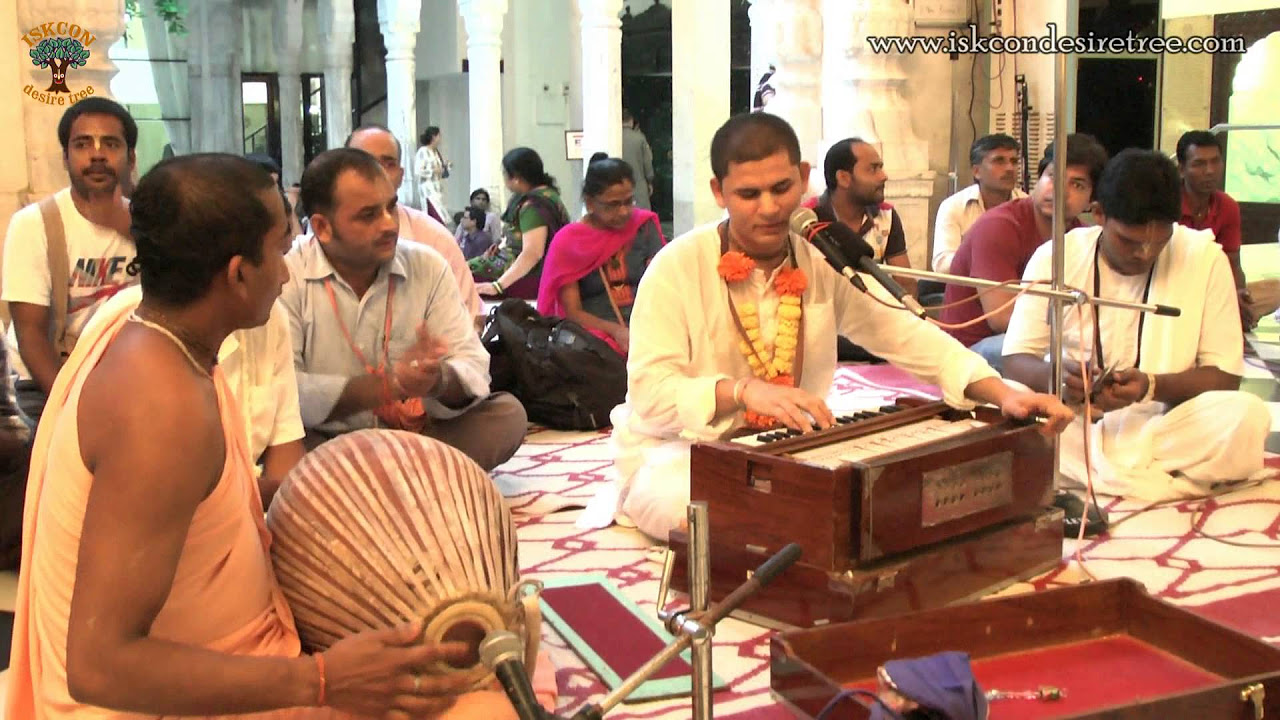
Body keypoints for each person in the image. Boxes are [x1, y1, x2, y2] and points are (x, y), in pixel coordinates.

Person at [6, 152, 529, 719]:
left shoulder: (148, 337)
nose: (285, 274)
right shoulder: (159, 407)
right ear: (236, 273)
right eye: (279, 253)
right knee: (484, 703)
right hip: (169, 700)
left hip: (247, 643)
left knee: (490, 643)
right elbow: (99, 667)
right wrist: (321, 679)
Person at [596, 112, 1074, 540]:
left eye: (781, 189)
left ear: (803, 179)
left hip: (794, 445)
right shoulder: (674, 267)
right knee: (696, 510)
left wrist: (1002, 393)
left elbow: (904, 332)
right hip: (681, 451)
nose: (768, 208)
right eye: (748, 194)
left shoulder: (822, 255)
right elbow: (650, 394)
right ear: (718, 191)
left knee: (891, 489)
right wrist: (743, 392)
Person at [1003, 149, 1270, 505]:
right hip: (1072, 419)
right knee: (1000, 400)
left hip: (1163, 422)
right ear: (1098, 214)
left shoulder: (1205, 258)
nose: (1143, 254)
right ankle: (1152, 477)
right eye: (1128, 241)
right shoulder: (1056, 256)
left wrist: (1151, 386)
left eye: (1158, 242)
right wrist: (1058, 376)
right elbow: (1015, 359)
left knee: (1246, 416)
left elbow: (1225, 376)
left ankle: (1098, 473)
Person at [285, 148, 527, 471]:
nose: (389, 224)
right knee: (285, 448)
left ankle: (371, 485)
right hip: (327, 441)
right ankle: (411, 480)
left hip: (417, 435)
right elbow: (285, 391)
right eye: (368, 215)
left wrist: (437, 380)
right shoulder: (289, 277)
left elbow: (473, 367)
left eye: (391, 207)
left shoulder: (426, 265)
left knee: (506, 416)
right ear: (322, 227)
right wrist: (387, 387)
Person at [3, 97, 138, 424]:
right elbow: (30, 334)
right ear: (65, 157)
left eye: (110, 144)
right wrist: (74, 408)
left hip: (129, 374)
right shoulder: (35, 224)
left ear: (130, 157)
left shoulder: (148, 223)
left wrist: (138, 226)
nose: (97, 154)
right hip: (46, 381)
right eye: (82, 144)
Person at [940, 134, 1109, 371]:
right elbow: (1001, 319)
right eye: (1053, 176)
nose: (1060, 190)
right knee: (1064, 353)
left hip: (1038, 342)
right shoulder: (999, 226)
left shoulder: (1081, 236)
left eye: (1077, 184)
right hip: (970, 351)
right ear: (1039, 179)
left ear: (1092, 201)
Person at [345, 125, 483, 321]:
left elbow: (469, 322)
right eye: (364, 162)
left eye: (388, 163)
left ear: (401, 176)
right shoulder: (321, 240)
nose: (376, 173)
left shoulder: (433, 238)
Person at [537, 155, 665, 355]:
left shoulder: (643, 226)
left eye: (628, 201)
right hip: (595, 335)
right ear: (590, 203)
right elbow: (572, 312)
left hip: (649, 326)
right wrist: (616, 331)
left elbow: (663, 284)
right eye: (612, 204)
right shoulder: (570, 241)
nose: (623, 212)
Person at [1176, 130, 1277, 331]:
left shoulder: (1228, 206)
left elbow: (1233, 263)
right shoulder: (1167, 204)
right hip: (1174, 291)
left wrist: (1239, 294)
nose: (1210, 171)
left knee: (1275, 289)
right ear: (1181, 169)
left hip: (1215, 292)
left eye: (1215, 162)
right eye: (1199, 164)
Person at [805, 137, 915, 295]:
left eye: (881, 168)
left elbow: (906, 283)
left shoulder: (886, 216)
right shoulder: (808, 220)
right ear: (843, 178)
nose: (884, 176)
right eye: (873, 169)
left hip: (877, 314)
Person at [473, 147, 571, 300]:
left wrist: (497, 286)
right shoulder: (546, 194)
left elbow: (533, 253)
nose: (504, 179)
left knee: (460, 275)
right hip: (522, 263)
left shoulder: (533, 205)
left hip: (531, 273)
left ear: (516, 178)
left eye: (505, 174)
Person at [931, 134, 1028, 275]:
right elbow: (942, 265)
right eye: (999, 161)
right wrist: (986, 259)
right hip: (968, 290)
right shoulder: (954, 206)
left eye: (1013, 161)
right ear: (977, 171)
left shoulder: (1027, 206)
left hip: (1018, 288)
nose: (1009, 168)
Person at [621, 109, 656, 211]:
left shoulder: (613, 137)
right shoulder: (639, 138)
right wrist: (650, 180)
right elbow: (647, 161)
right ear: (631, 121)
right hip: (638, 185)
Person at [414, 125, 451, 224]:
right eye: (439, 136)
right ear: (433, 137)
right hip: (428, 191)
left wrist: (445, 167)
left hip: (438, 189)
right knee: (436, 218)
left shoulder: (435, 152)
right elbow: (418, 171)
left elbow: (440, 170)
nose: (440, 138)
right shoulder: (423, 151)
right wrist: (433, 170)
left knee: (442, 218)